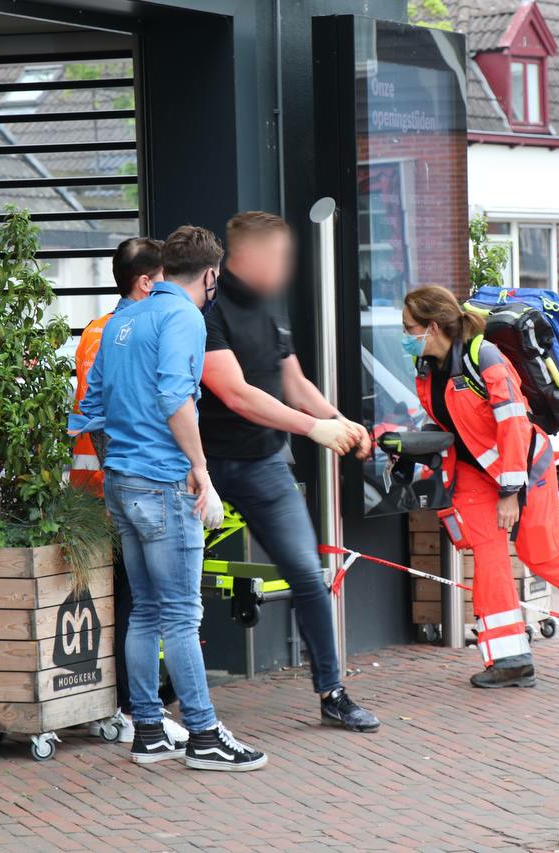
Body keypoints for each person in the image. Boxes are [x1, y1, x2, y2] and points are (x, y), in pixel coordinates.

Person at [73, 225, 268, 771]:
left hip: (122, 482)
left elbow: (91, 408)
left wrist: (120, 462)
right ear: (210, 274)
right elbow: (176, 397)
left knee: (146, 614)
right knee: (181, 615)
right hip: (163, 483)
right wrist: (201, 471)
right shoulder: (184, 317)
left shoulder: (121, 320)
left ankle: (150, 730)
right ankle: (205, 735)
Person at [199, 211, 380, 732]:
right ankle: (155, 705)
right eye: (277, 256)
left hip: (263, 464)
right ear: (247, 254)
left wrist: (340, 421)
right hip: (202, 468)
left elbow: (292, 381)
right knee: (177, 585)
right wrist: (312, 430)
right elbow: (235, 394)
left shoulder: (268, 308)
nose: (285, 266)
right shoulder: (207, 308)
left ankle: (333, 693)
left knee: (305, 572)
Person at [403, 285, 559, 688]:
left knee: (541, 553)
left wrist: (509, 491)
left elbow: (514, 426)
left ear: (431, 328)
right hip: (471, 472)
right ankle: (509, 659)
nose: (405, 336)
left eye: (409, 328)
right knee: (489, 555)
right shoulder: (427, 370)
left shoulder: (486, 359)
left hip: (523, 465)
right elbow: (452, 423)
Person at [70, 238, 188, 747]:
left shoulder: (100, 329)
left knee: (131, 602)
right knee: (139, 604)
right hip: (122, 481)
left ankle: (135, 707)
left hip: (103, 480)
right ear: (146, 281)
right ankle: (133, 708)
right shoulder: (136, 329)